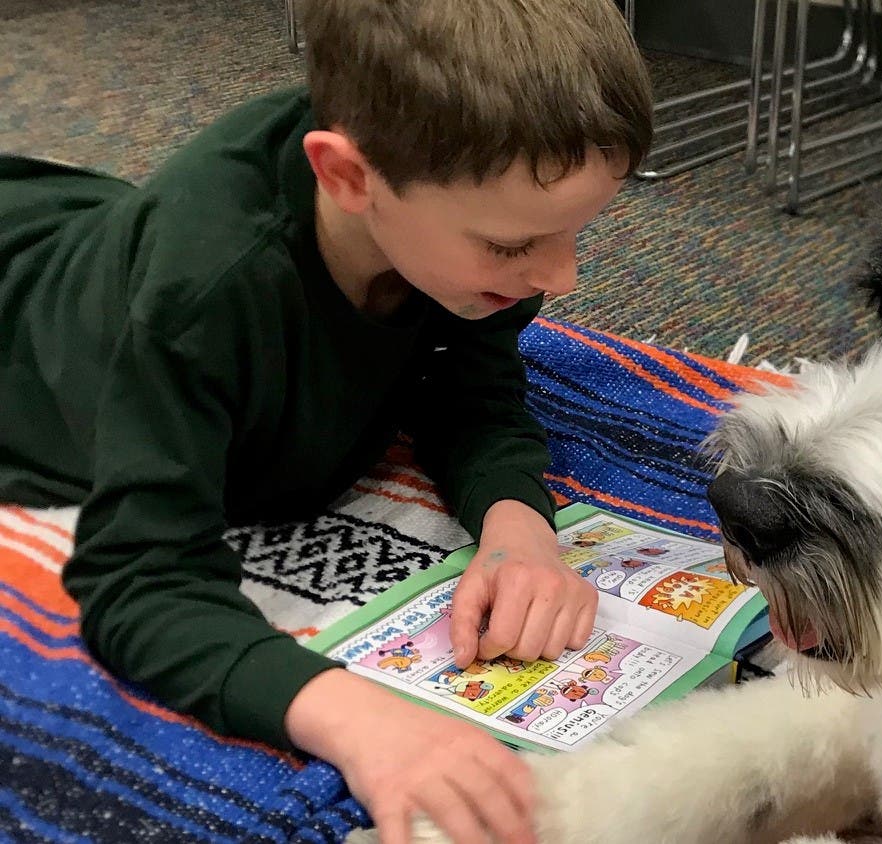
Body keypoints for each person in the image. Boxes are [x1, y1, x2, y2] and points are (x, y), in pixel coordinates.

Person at [0, 1, 652, 840]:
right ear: (346, 177)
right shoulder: (203, 296)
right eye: (508, 247)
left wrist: (516, 527)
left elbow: (469, 386)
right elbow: (139, 579)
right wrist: (362, 719)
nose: (559, 278)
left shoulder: (448, 205)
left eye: (573, 236)